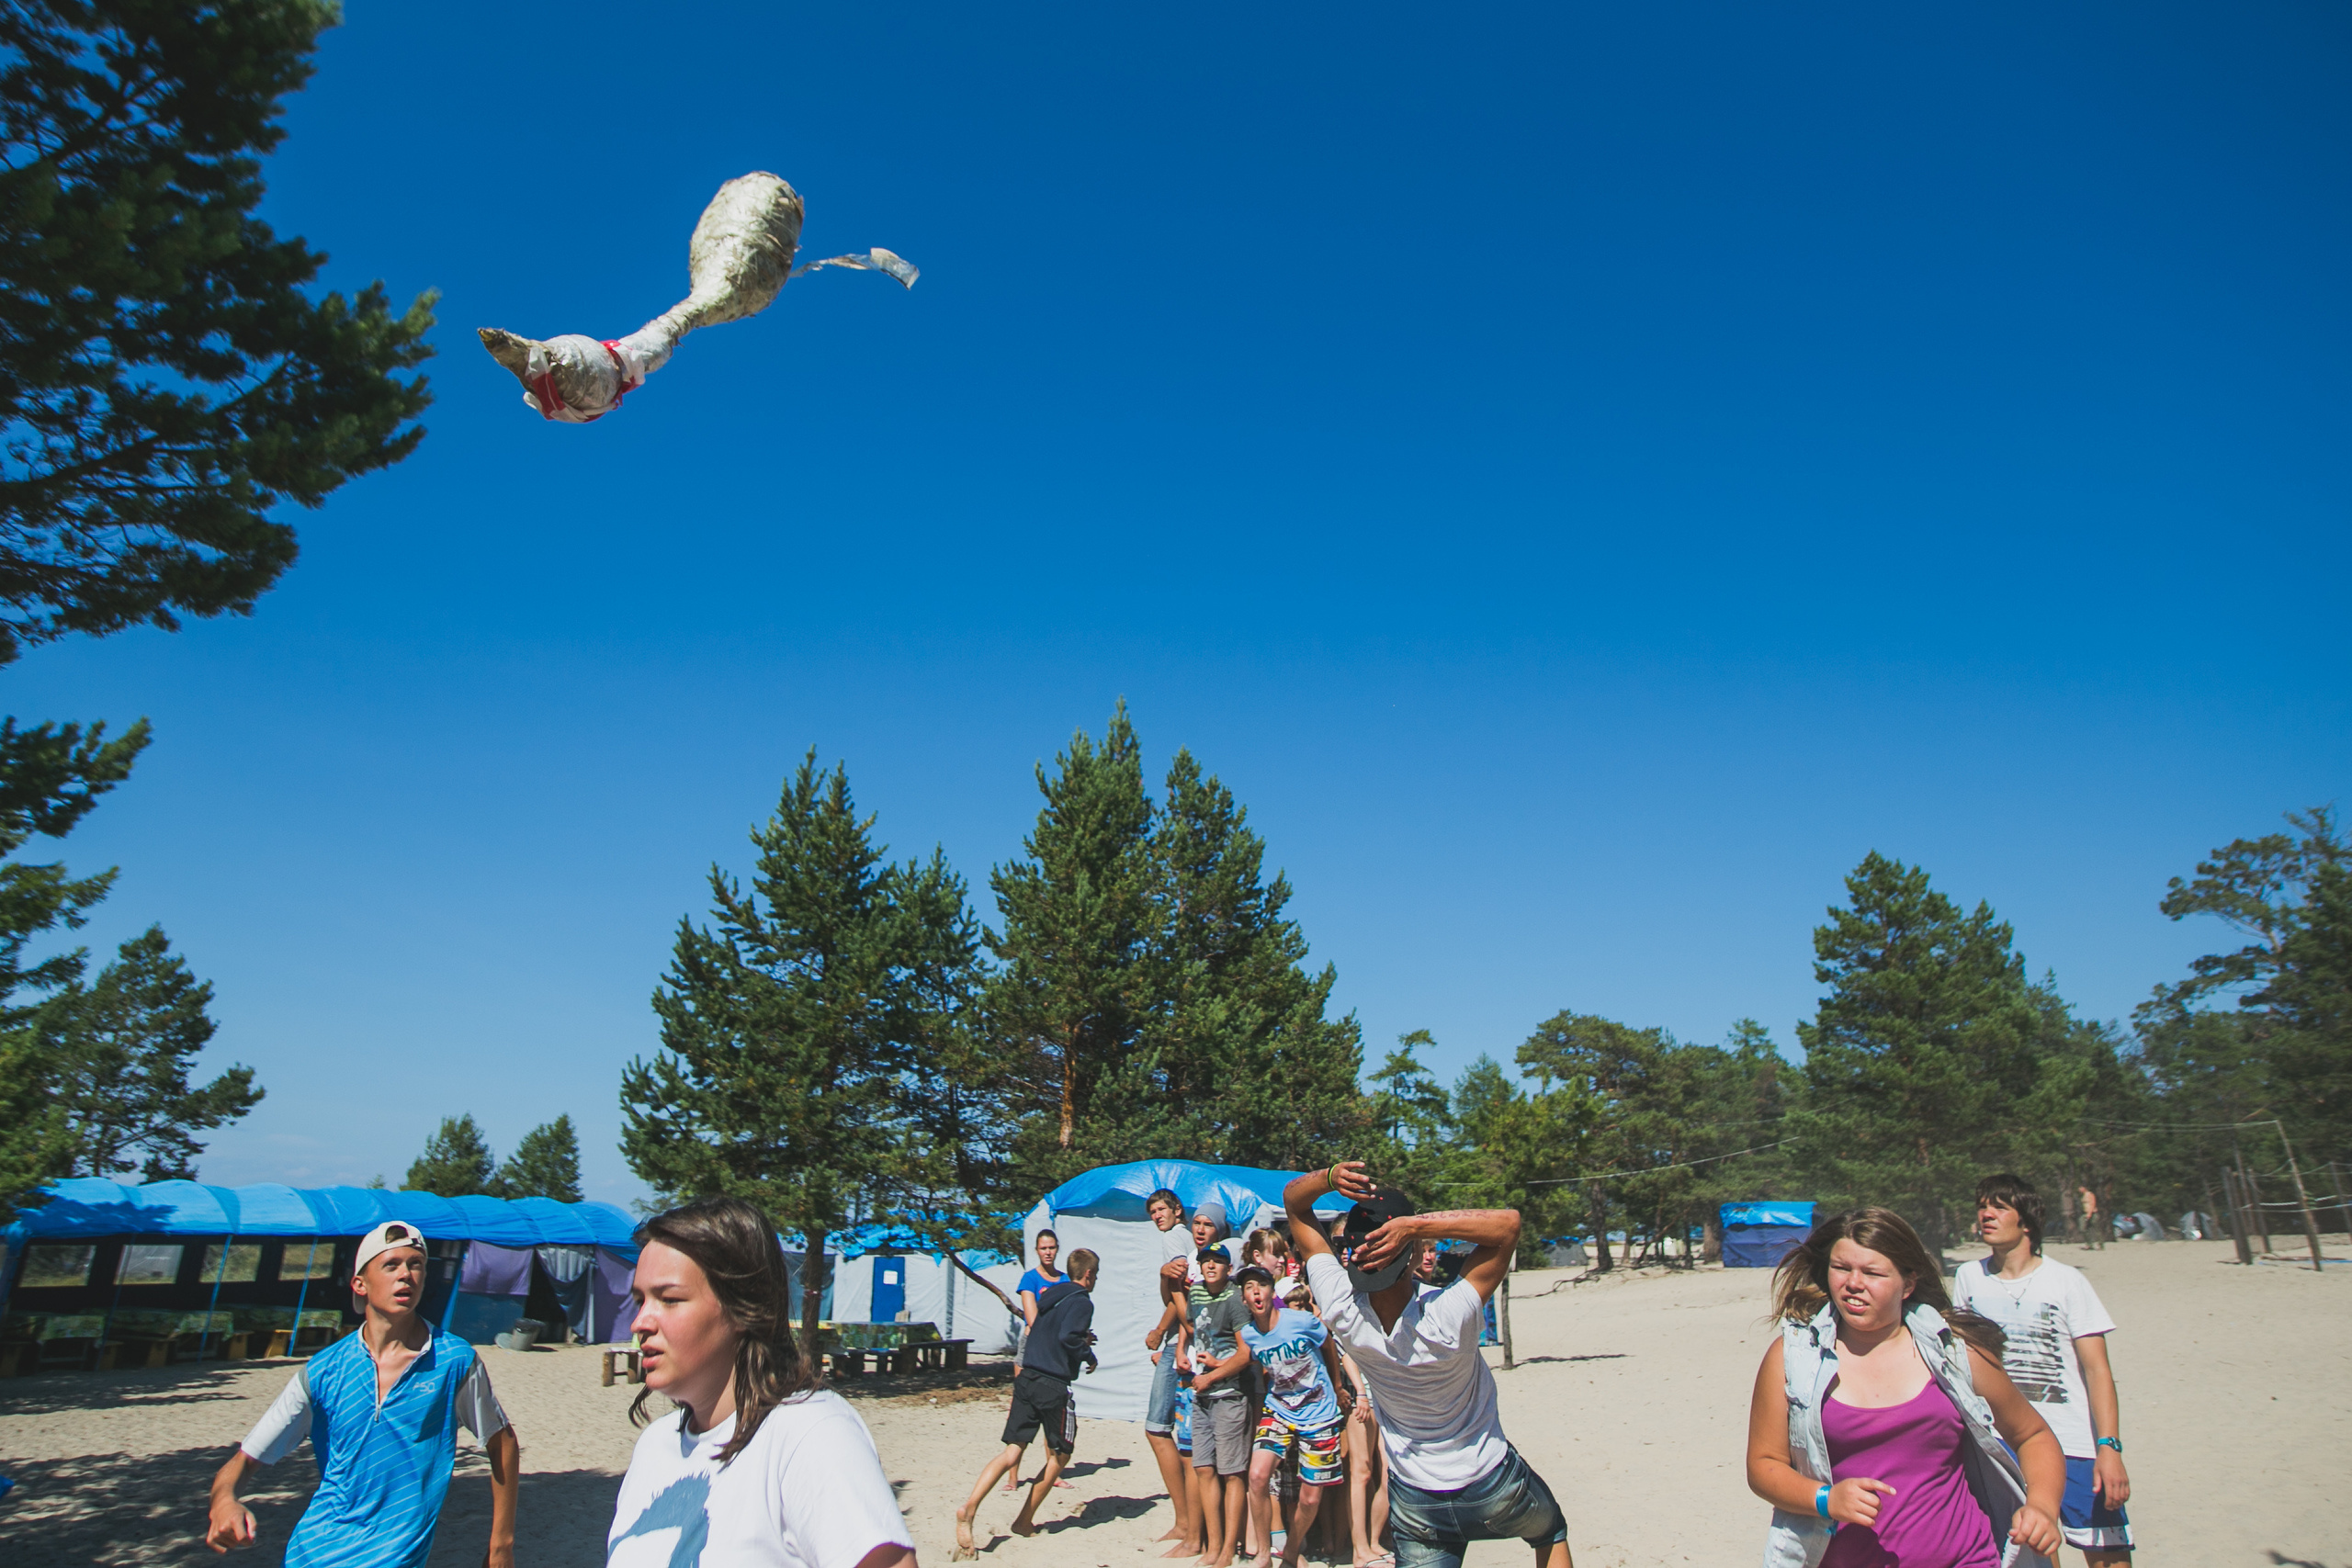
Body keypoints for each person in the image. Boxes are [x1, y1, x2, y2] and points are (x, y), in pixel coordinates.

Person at [1283, 1162, 1569, 1568]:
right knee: (1549, 1530)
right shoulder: (1448, 1315)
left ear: (1354, 1252)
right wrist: (1416, 1227)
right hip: (1489, 1478)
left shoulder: (1340, 1308)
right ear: (1415, 1253)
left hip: (1417, 1497)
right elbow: (1508, 1226)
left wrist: (1328, 1178)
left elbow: (1295, 1207)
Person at [1745, 1206, 2064, 1568]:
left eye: (1872, 1272)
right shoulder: (1793, 1357)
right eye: (1841, 1268)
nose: (1853, 1283)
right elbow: (1763, 1465)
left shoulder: (1955, 1353)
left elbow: (2033, 1434)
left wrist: (2041, 1506)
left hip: (1968, 1559)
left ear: (1908, 1284)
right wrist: (1825, 1499)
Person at [609, 1196, 916, 1568]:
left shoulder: (808, 1433)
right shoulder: (654, 1447)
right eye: (641, 1300)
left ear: (743, 1308)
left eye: (669, 1299)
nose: (640, 1322)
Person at [206, 1220, 518, 1566]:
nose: (406, 1275)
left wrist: (501, 1546)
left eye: (416, 1265)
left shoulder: (454, 1361)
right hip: (312, 1554)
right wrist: (224, 1501)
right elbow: (242, 1463)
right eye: (391, 1265)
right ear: (360, 1284)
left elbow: (502, 1443)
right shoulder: (323, 1371)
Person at [1953, 1175, 2135, 1564]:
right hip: (2005, 1444)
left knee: (2107, 1553)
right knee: (2033, 1550)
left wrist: (2109, 1447)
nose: (1986, 1214)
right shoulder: (1969, 1278)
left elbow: (2097, 1370)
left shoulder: (2067, 1281)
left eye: (2000, 1207)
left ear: (2027, 1222)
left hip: (2075, 1444)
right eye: (1982, 1206)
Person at [956, 1247, 1101, 1559]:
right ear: (1088, 1275)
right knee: (1061, 1455)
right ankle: (1023, 1520)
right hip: (1053, 1385)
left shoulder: (1050, 1294)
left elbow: (1051, 1330)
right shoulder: (1082, 1301)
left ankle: (969, 1507)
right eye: (1096, 1276)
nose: (1095, 1280)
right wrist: (1088, 1353)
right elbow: (1067, 1337)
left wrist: (1080, 1339)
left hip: (1028, 1376)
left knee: (1012, 1451)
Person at [1215, 1265, 1348, 1568]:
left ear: (1272, 1292)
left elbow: (1327, 1342)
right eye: (1249, 1287)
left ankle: (1290, 1551)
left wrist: (1337, 1384)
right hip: (1279, 1410)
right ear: (1245, 1298)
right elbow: (1245, 1359)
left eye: (1261, 1285)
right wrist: (1211, 1375)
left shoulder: (1300, 1320)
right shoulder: (1249, 1335)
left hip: (1320, 1414)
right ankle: (1263, 1554)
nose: (1256, 1291)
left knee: (1311, 1499)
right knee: (1258, 1476)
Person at [1186, 1246, 1255, 1567]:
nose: (1210, 1265)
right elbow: (1188, 1325)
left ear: (1229, 1267)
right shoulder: (1196, 1292)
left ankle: (1228, 1548)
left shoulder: (1234, 1298)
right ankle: (1212, 1547)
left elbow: (1245, 1354)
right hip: (1201, 1395)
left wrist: (1213, 1372)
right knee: (1203, 1469)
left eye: (1217, 1261)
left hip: (1228, 1394)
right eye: (1205, 1261)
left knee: (1231, 1473)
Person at [1008, 1231, 1071, 1493]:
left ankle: (1052, 1470)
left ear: (1057, 1249)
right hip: (1032, 1348)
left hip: (1055, 1351)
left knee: (1052, 1412)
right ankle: (1013, 1475)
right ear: (1037, 1250)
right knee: (1021, 1409)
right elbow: (1032, 1318)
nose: (1048, 1252)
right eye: (1043, 1248)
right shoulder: (1030, 1279)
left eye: (1052, 1247)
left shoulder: (1065, 1279)